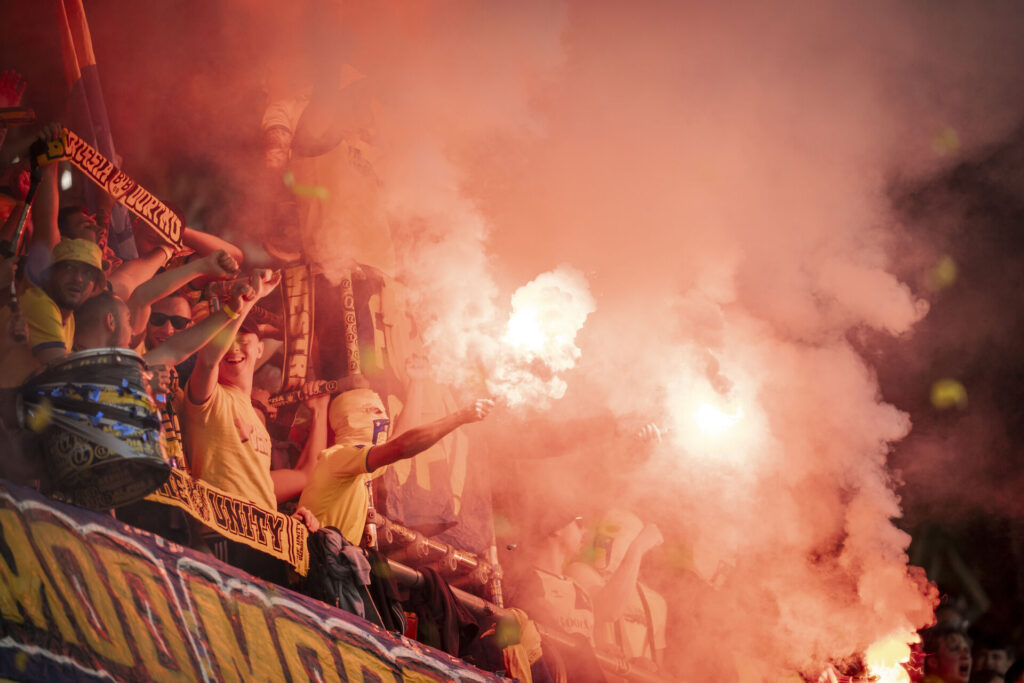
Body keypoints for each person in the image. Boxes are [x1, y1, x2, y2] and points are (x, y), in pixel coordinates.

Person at [182, 269, 322, 581]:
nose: (232, 347)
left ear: (260, 348)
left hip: (265, 541)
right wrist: (249, 301)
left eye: (242, 338)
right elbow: (207, 361)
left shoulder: (256, 419)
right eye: (227, 339)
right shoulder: (207, 395)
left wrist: (287, 520)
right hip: (223, 534)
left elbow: (290, 480)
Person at [297, 387, 493, 546]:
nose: (385, 420)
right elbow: (401, 446)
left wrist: (417, 382)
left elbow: (399, 440)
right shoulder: (338, 457)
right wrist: (459, 417)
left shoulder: (356, 471)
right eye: (375, 412)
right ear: (350, 417)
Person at [565, 508, 667, 676]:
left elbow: (659, 669)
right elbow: (608, 611)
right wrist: (637, 549)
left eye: (612, 539)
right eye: (602, 538)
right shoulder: (579, 573)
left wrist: (647, 668)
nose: (603, 544)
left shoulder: (656, 602)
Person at [0, 237, 103, 387]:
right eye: (69, 267)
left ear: (94, 288)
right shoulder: (39, 304)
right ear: (51, 274)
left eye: (87, 273)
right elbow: (64, 374)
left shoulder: (69, 318)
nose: (78, 279)